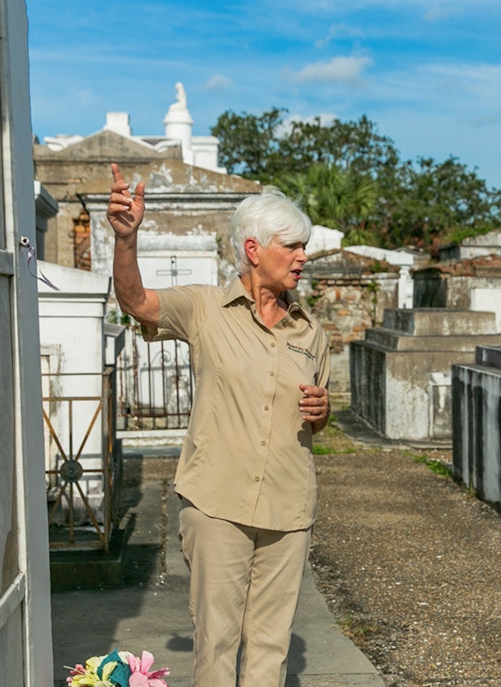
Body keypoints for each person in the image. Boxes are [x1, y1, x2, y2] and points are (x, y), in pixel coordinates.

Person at [106, 163, 331, 686]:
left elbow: (315, 416)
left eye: (305, 247)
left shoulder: (311, 331)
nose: (304, 257)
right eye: (292, 247)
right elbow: (136, 301)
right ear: (254, 249)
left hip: (288, 506)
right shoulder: (206, 308)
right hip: (216, 505)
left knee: (270, 650)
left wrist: (322, 414)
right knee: (217, 641)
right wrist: (125, 240)